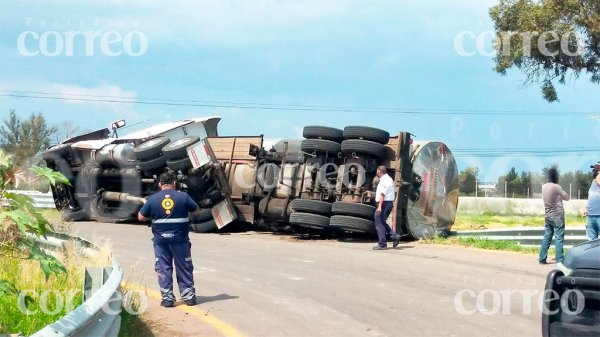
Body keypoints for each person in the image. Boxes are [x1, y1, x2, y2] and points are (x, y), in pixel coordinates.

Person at [138, 171, 201, 307]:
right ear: (174, 183)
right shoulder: (183, 196)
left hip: (160, 241)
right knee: (184, 266)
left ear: (160, 184)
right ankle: (188, 297)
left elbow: (141, 217)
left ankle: (167, 299)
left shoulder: (152, 199)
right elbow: (196, 211)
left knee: (163, 268)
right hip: (180, 240)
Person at [539, 168, 570, 264]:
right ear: (556, 176)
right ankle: (560, 259)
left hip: (548, 215)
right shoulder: (556, 187)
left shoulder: (544, 187)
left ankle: (542, 258)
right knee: (559, 237)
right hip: (557, 216)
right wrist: (560, 197)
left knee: (547, 236)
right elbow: (567, 198)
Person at [373, 165, 401, 250]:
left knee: (379, 223)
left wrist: (380, 206)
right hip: (387, 203)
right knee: (382, 221)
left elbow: (382, 194)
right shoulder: (388, 179)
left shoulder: (385, 180)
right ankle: (394, 236)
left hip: (384, 203)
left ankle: (382, 244)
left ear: (378, 171)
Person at [583, 162, 600, 241]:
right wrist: (585, 207)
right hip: (590, 216)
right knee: (592, 245)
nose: (593, 171)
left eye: (595, 169)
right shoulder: (593, 182)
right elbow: (592, 196)